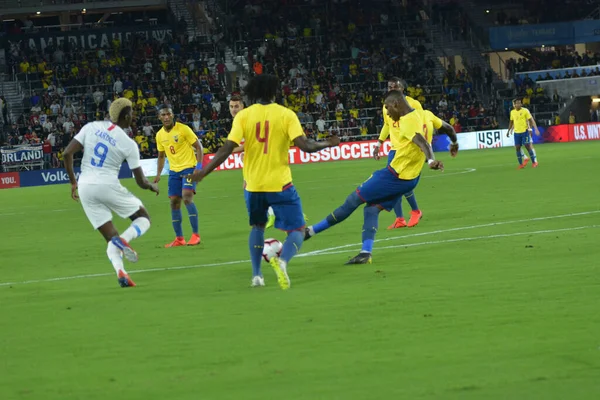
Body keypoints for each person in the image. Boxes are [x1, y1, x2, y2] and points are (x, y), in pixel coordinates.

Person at [188, 74, 340, 289]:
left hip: (253, 185)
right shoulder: (286, 114)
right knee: (297, 229)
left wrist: (204, 172)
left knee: (257, 227)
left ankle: (257, 276)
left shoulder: (243, 116)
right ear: (274, 92)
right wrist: (329, 143)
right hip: (280, 184)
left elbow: (227, 148)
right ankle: (283, 261)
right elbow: (306, 147)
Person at [304, 90, 445, 264]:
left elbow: (422, 142)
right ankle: (365, 253)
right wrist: (435, 156)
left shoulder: (407, 121)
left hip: (395, 176)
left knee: (353, 200)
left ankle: (309, 232)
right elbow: (429, 137)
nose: (386, 112)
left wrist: (431, 160)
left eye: (387, 108)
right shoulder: (419, 116)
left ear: (395, 104)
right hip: (410, 179)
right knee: (371, 209)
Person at [63, 98, 159, 288]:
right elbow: (140, 181)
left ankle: (121, 272)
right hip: (107, 184)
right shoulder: (129, 143)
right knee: (143, 218)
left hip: (85, 187)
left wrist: (73, 182)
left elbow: (67, 153)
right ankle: (124, 240)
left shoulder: (91, 127)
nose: (133, 116)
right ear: (125, 116)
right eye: (131, 113)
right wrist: (150, 186)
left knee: (110, 238)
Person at [372, 77, 426, 229]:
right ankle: (401, 218)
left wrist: (423, 146)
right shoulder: (386, 105)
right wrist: (378, 144)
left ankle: (414, 211)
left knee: (398, 184)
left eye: (395, 86)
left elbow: (423, 125)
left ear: (403, 88)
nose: (392, 89)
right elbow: (387, 125)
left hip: (410, 149)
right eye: (389, 87)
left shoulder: (414, 104)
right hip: (394, 149)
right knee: (394, 184)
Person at [154, 104, 204, 247]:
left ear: (172, 115)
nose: (166, 117)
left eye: (168, 114)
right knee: (174, 202)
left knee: (187, 197)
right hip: (174, 172)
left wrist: (198, 167)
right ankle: (179, 239)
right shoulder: (159, 135)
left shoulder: (183, 129)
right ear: (159, 117)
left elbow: (199, 147)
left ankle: (195, 235)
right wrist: (158, 174)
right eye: (163, 115)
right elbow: (161, 156)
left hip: (189, 168)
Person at [507, 99, 539, 169]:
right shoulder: (512, 112)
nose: (519, 104)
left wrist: (533, 129)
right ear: (514, 105)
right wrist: (509, 130)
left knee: (528, 146)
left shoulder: (525, 111)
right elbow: (512, 121)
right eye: (517, 103)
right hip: (517, 133)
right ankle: (521, 164)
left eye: (520, 103)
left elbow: (531, 120)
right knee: (517, 147)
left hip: (525, 132)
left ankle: (534, 162)